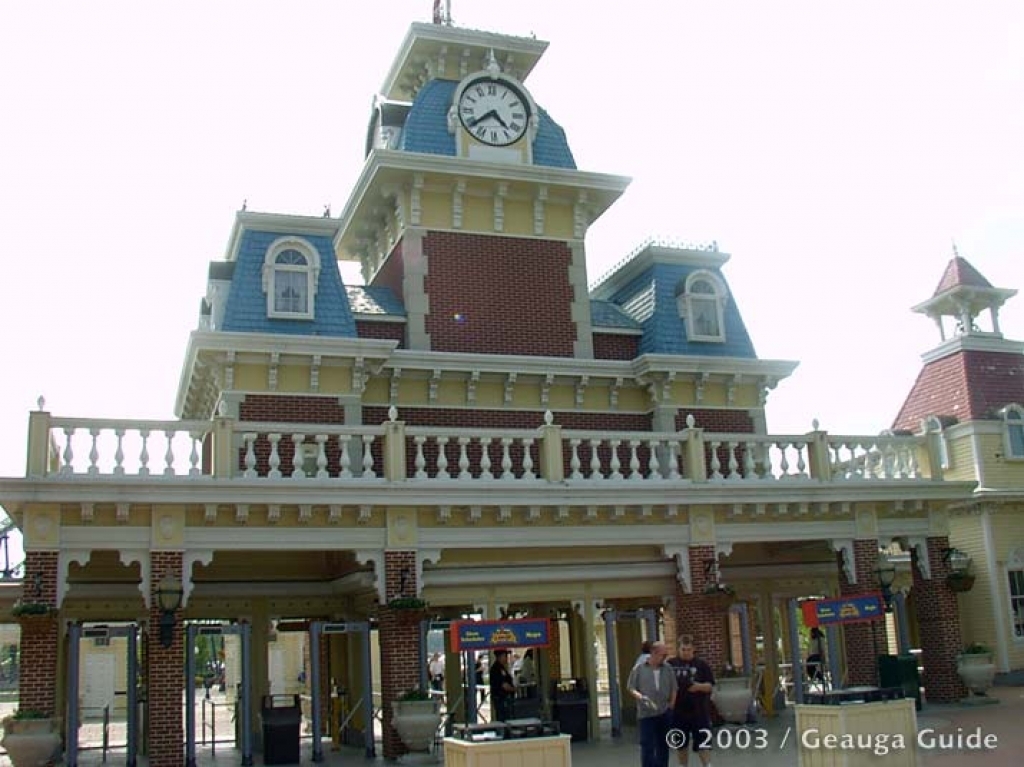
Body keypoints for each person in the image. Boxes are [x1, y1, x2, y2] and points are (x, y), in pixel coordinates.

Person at [626, 640, 677, 767]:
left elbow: (674, 687)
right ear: (653, 653)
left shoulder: (668, 669)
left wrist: (671, 704)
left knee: (663, 744)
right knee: (647, 745)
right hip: (646, 713)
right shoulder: (639, 668)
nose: (664, 658)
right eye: (662, 655)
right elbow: (631, 687)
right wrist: (640, 697)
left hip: (664, 711)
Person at [667, 636, 714, 767]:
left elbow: (710, 686)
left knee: (703, 743)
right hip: (679, 711)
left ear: (694, 649)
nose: (686, 652)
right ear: (678, 649)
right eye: (683, 649)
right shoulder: (671, 665)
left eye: (688, 649)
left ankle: (707, 765)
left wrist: (698, 686)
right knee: (681, 743)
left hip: (699, 711)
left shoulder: (702, 665)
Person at [489, 648, 516, 721]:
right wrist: (514, 689)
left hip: (504, 698)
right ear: (500, 656)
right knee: (502, 718)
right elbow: (503, 685)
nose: (506, 658)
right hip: (500, 698)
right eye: (505, 656)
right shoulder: (496, 669)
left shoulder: (503, 668)